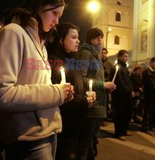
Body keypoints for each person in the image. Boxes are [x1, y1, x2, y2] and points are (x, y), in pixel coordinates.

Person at [0, 0, 74, 160]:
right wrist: (56, 92)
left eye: (60, 16)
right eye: (54, 13)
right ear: (38, 6)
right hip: (27, 136)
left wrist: (60, 94)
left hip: (48, 131)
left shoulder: (40, 45)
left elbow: (39, 88)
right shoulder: (13, 33)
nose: (56, 21)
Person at [47, 22, 96, 160]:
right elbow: (60, 96)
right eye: (73, 37)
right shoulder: (54, 62)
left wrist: (88, 93)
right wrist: (83, 100)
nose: (78, 41)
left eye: (78, 37)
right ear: (61, 40)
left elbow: (77, 84)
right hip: (65, 125)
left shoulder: (73, 59)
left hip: (78, 121)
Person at [78, 28, 115, 159]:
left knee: (91, 139)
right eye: (97, 37)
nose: (100, 40)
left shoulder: (96, 55)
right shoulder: (86, 53)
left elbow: (97, 78)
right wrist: (102, 85)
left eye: (101, 37)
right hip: (92, 103)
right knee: (86, 140)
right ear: (90, 39)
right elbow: (81, 78)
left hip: (99, 102)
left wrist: (106, 87)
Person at [110, 50, 133, 141]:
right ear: (119, 57)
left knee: (127, 113)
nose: (126, 58)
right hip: (120, 95)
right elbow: (120, 82)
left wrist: (131, 89)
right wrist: (128, 90)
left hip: (126, 94)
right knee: (120, 114)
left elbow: (128, 80)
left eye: (127, 56)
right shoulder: (117, 67)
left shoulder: (124, 67)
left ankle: (124, 130)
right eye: (125, 56)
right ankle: (118, 133)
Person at [141, 57, 155, 134]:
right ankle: (144, 127)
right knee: (147, 112)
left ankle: (150, 125)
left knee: (152, 111)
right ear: (151, 62)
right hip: (149, 95)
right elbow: (149, 84)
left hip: (154, 95)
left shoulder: (154, 71)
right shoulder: (147, 72)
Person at [101, 48, 114, 119]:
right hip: (100, 84)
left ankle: (105, 115)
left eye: (105, 53)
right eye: (102, 52)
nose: (103, 54)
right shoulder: (97, 62)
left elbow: (112, 75)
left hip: (107, 84)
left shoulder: (110, 64)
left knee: (106, 100)